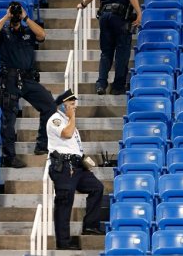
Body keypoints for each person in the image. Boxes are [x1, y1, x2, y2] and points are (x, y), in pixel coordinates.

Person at [0, 1, 57, 168]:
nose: (16, 15)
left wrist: (26, 17)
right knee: (9, 120)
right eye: (15, 12)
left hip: (27, 79)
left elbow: (42, 35)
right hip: (9, 80)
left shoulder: (28, 30)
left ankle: (42, 145)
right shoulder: (3, 32)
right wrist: (6, 16)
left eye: (17, 12)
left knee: (49, 104)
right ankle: (9, 157)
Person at [47, 88, 104, 250]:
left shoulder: (69, 120)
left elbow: (74, 145)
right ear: (63, 105)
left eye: (74, 104)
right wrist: (71, 117)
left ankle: (90, 226)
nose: (75, 107)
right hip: (64, 167)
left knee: (97, 188)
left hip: (77, 166)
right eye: (71, 104)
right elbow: (66, 134)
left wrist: (84, 160)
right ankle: (63, 243)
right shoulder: (55, 119)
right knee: (65, 203)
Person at [77, 0, 142, 95]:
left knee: (106, 53)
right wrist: (139, 13)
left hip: (104, 16)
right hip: (119, 17)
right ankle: (118, 87)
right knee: (122, 52)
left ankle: (101, 84)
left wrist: (82, 5)